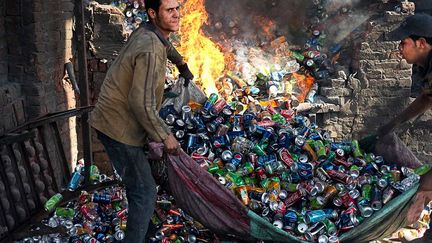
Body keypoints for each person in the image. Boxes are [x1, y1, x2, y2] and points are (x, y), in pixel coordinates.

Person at [90, 0, 192, 241]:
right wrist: (165, 136)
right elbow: (141, 104)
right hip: (118, 128)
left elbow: (166, 46)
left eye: (178, 8)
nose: (176, 14)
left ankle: (144, 230)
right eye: (169, 10)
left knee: (139, 184)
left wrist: (181, 63)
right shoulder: (149, 49)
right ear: (153, 13)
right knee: (144, 192)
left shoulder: (148, 30)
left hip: (114, 120)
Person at [378, 13, 432, 226]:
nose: (399, 49)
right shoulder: (426, 67)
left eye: (403, 43)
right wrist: (395, 123)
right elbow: (427, 98)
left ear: (421, 43)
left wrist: (425, 187)